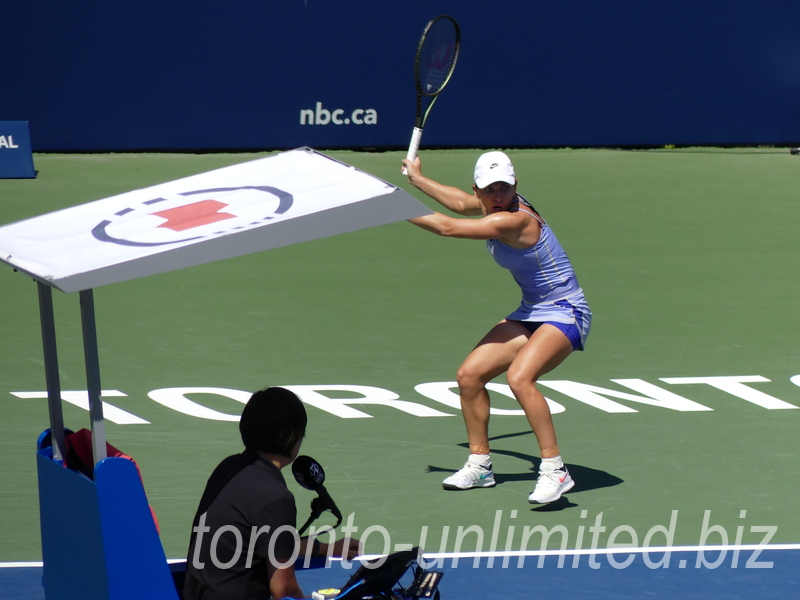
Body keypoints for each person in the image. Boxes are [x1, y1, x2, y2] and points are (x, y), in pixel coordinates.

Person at [402, 151, 591, 504]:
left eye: (504, 187)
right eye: (490, 190)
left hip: (565, 311)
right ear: (479, 191)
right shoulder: (489, 206)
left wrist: (391, 206)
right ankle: (481, 465)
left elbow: (447, 226)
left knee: (520, 378)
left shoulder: (514, 220)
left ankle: (555, 470)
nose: (498, 195)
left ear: (515, 185)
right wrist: (417, 179)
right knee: (469, 376)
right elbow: (459, 203)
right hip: (532, 310)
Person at [183, 387, 361, 599]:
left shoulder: (227, 468)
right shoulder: (276, 498)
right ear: (291, 437)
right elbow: (284, 590)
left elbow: (267, 543)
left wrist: (325, 548)